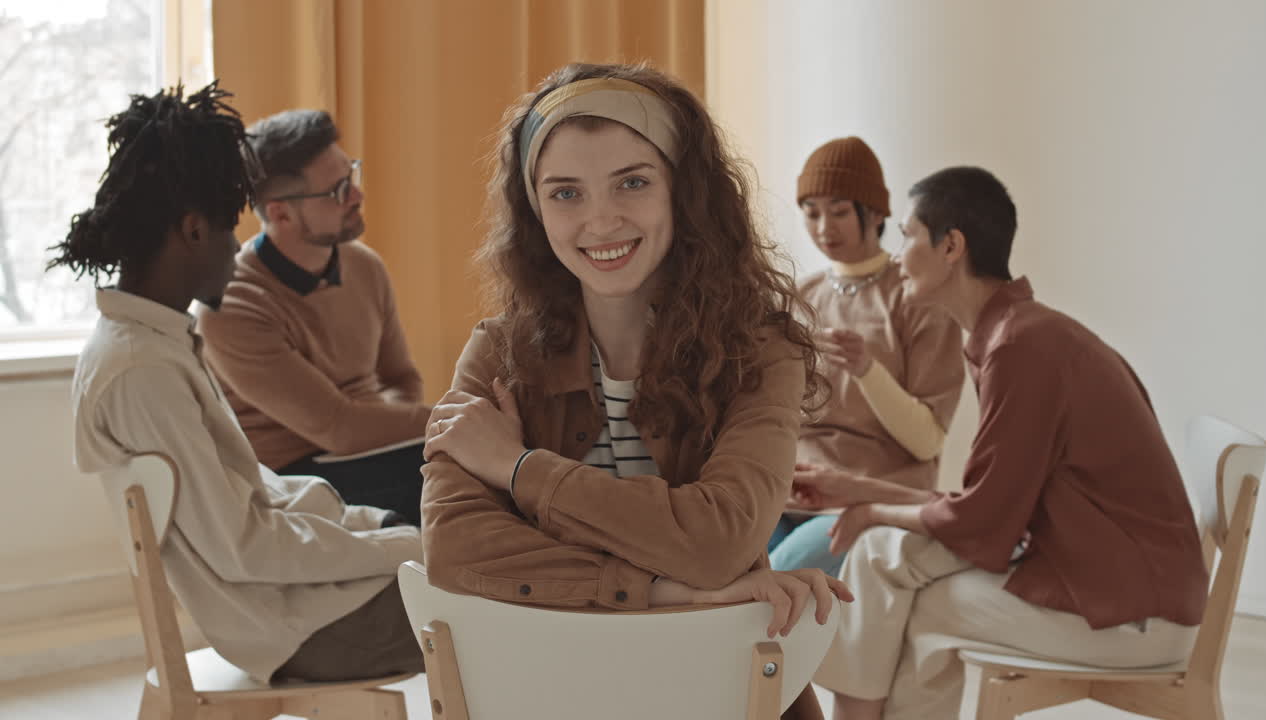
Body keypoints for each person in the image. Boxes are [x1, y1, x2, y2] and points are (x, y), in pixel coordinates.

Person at [419, 63, 851, 719]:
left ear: (685, 191)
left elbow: (720, 541)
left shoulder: (763, 351)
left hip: (726, 692)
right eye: (566, 193)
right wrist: (674, 592)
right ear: (534, 210)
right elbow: (453, 550)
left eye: (633, 183)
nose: (601, 220)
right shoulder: (496, 354)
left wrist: (520, 469)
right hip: (550, 695)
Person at [797, 166, 1209, 720]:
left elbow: (982, 522)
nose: (897, 256)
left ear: (951, 247)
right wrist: (859, 493)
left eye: (909, 236)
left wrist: (869, 504)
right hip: (1110, 579)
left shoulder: (1021, 348)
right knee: (881, 555)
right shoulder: (1018, 334)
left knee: (918, 602)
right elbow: (987, 506)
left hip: (1131, 614)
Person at [54, 83, 424, 684]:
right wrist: (404, 548)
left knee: (499, 564)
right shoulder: (142, 369)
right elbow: (244, 546)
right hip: (305, 627)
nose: (239, 248)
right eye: (231, 229)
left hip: (307, 603)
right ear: (194, 230)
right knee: (509, 595)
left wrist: (371, 526)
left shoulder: (153, 344)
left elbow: (253, 494)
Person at [195, 109, 429, 524]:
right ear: (281, 214)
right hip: (294, 480)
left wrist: (380, 425)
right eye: (338, 190)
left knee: (478, 467)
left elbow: (403, 380)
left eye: (351, 175)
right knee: (460, 473)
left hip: (374, 454)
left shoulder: (364, 266)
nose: (357, 195)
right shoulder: (232, 305)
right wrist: (459, 420)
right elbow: (337, 428)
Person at [768, 137, 964, 577]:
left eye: (839, 211)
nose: (824, 228)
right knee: (718, 566)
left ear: (875, 213)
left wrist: (866, 370)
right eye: (811, 212)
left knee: (775, 578)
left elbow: (928, 441)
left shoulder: (918, 297)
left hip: (873, 496)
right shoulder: (801, 297)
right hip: (788, 493)